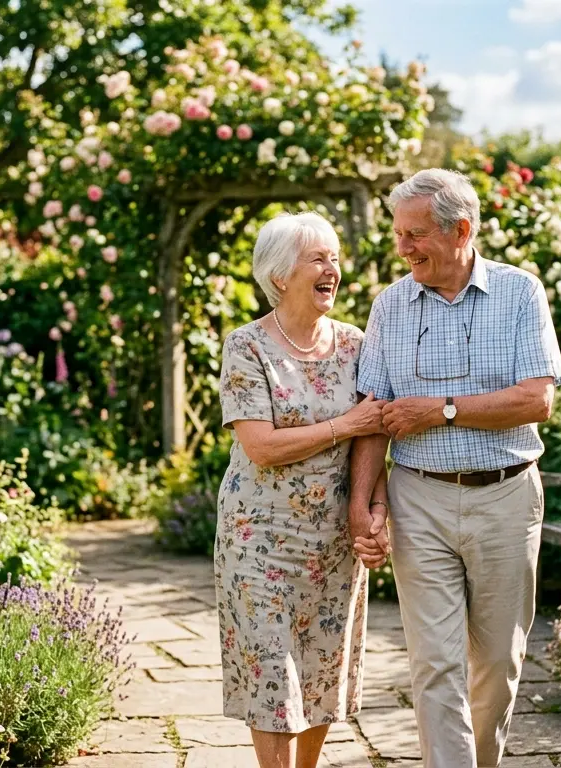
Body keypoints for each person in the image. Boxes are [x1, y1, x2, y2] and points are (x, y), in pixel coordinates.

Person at [350, 168, 561, 768]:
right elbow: (372, 415)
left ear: (460, 230)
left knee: (498, 661)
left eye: (415, 234)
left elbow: (537, 401)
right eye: (399, 234)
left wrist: (441, 411)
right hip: (419, 496)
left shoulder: (521, 293)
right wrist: (363, 504)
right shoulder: (389, 306)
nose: (403, 248)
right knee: (435, 661)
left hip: (507, 495)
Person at [215, 211, 389, 768]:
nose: (332, 269)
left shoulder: (356, 345)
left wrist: (375, 508)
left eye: (334, 258)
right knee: (271, 673)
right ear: (279, 274)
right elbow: (260, 446)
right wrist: (345, 426)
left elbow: (375, 437)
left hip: (333, 541)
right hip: (258, 539)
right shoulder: (247, 347)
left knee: (319, 672)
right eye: (318, 258)